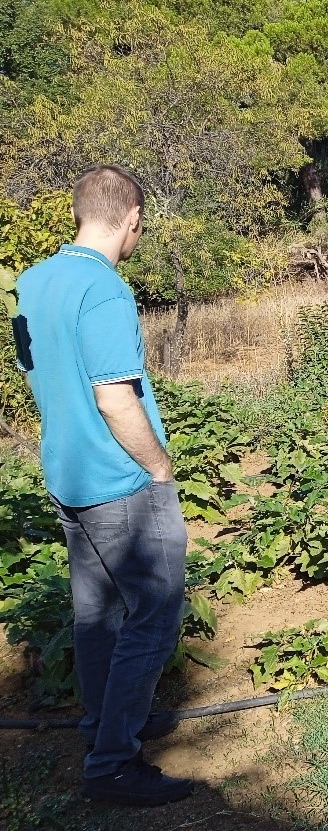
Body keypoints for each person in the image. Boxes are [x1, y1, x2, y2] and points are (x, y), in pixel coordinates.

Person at [13, 165, 192, 806]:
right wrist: (159, 467)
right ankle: (114, 763)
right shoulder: (105, 290)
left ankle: (100, 729)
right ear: (133, 219)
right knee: (153, 618)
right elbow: (115, 397)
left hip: (66, 473)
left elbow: (39, 372)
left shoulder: (34, 283)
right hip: (121, 481)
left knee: (96, 619)